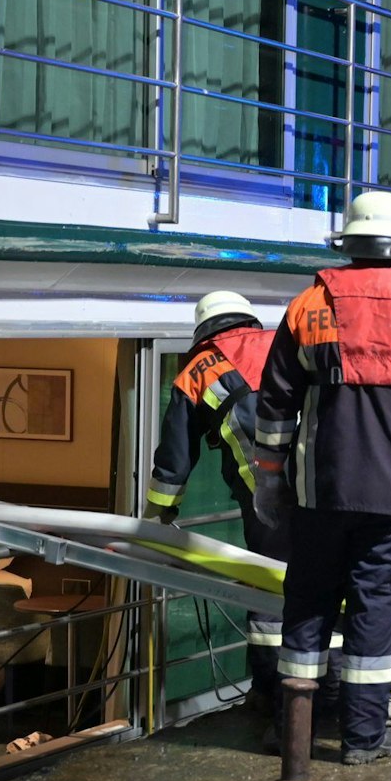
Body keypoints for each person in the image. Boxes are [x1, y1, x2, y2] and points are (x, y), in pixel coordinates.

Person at [252, 191, 391, 765]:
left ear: (348, 244)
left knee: (307, 609)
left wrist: (269, 480)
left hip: (317, 494)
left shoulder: (307, 307)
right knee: (373, 616)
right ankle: (362, 740)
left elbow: (275, 404)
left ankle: (293, 735)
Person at [146, 291, 290, 710]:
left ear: (203, 329)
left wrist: (160, 511)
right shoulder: (283, 343)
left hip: (268, 501)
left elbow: (175, 456)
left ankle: (273, 701)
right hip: (326, 490)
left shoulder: (196, 370)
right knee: (323, 592)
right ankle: (331, 698)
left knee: (270, 598)